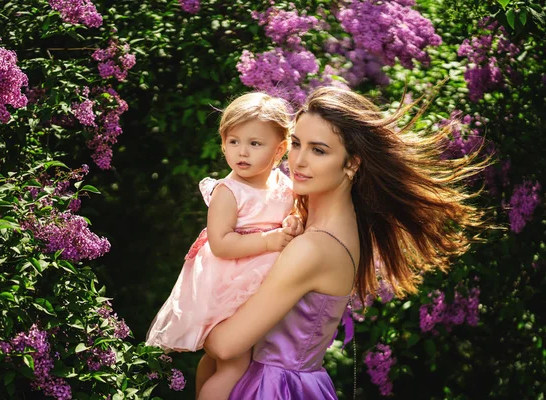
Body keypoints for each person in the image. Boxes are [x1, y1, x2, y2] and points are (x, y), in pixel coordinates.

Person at [204, 86, 488, 399]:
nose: (297, 161)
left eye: (319, 150)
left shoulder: (313, 248)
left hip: (270, 387)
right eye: (296, 144)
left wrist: (193, 319)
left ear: (352, 164)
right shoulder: (335, 227)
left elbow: (226, 345)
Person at [145, 92, 304, 400]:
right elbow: (220, 244)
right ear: (223, 144)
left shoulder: (286, 187)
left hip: (263, 277)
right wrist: (270, 240)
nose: (242, 152)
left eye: (255, 144)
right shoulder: (228, 191)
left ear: (279, 149)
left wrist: (293, 223)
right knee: (234, 363)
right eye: (234, 142)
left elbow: (292, 216)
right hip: (229, 279)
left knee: (220, 360)